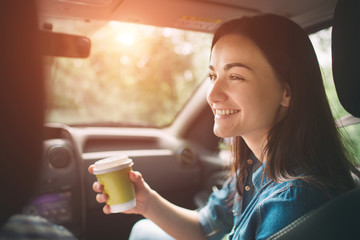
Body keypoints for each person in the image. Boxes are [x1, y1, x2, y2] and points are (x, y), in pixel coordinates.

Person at [89, 14, 359, 240]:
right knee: (143, 228)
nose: (213, 94)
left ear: (286, 93)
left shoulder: (293, 201)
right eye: (212, 75)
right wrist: (146, 201)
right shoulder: (257, 166)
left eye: (235, 76)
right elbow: (204, 228)